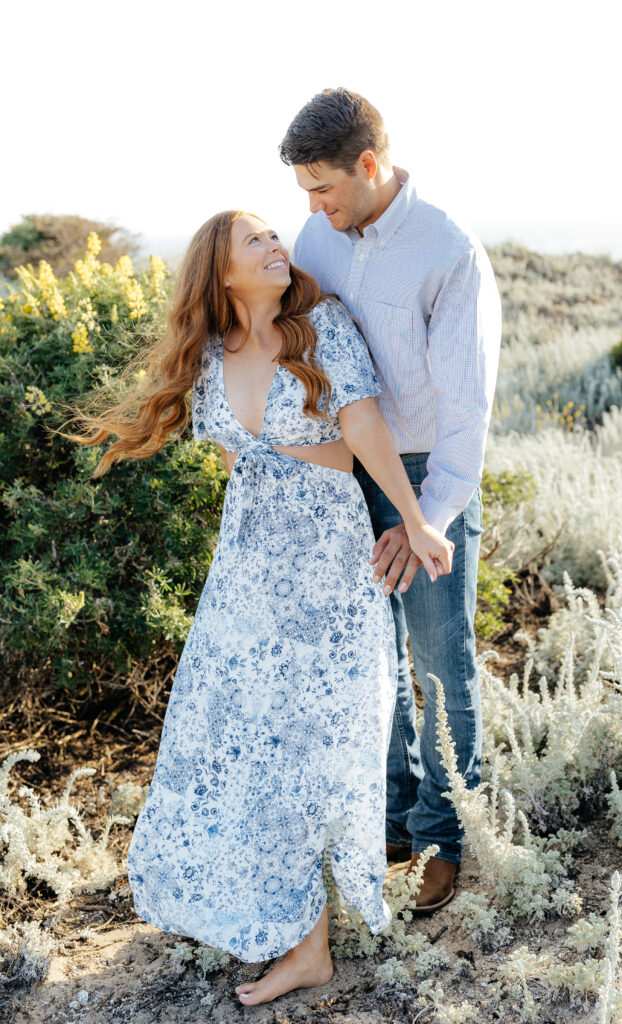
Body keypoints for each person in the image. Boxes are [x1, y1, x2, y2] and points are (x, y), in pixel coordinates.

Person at [63, 209, 454, 1006]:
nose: (277, 246)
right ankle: (297, 937)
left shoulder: (320, 328)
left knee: (316, 744)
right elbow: (239, 464)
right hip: (246, 578)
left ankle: (326, 921)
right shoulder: (207, 355)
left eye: (276, 235)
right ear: (223, 271)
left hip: (327, 566)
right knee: (244, 745)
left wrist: (415, 522)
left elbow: (363, 427)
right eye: (256, 241)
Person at [280, 88, 502, 915]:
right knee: (366, 664)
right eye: (305, 192)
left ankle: (446, 833)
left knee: (439, 660)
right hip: (343, 472)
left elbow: (465, 409)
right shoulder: (315, 236)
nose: (311, 207)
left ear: (368, 165)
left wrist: (426, 518)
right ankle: (395, 818)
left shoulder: (448, 251)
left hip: (426, 471)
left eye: (323, 188)